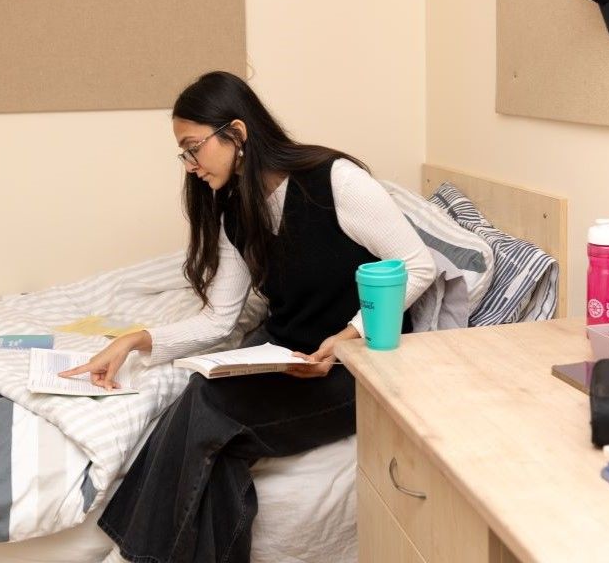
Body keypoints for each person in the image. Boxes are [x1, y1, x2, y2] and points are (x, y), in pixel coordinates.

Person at [61, 70, 435, 563]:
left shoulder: (336, 182)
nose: (190, 166)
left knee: (208, 406)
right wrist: (133, 340)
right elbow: (219, 319)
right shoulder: (236, 209)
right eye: (183, 154)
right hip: (289, 355)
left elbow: (417, 265)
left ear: (236, 133)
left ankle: (133, 557)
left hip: (357, 366)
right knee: (209, 419)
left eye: (193, 148)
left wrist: (349, 335)